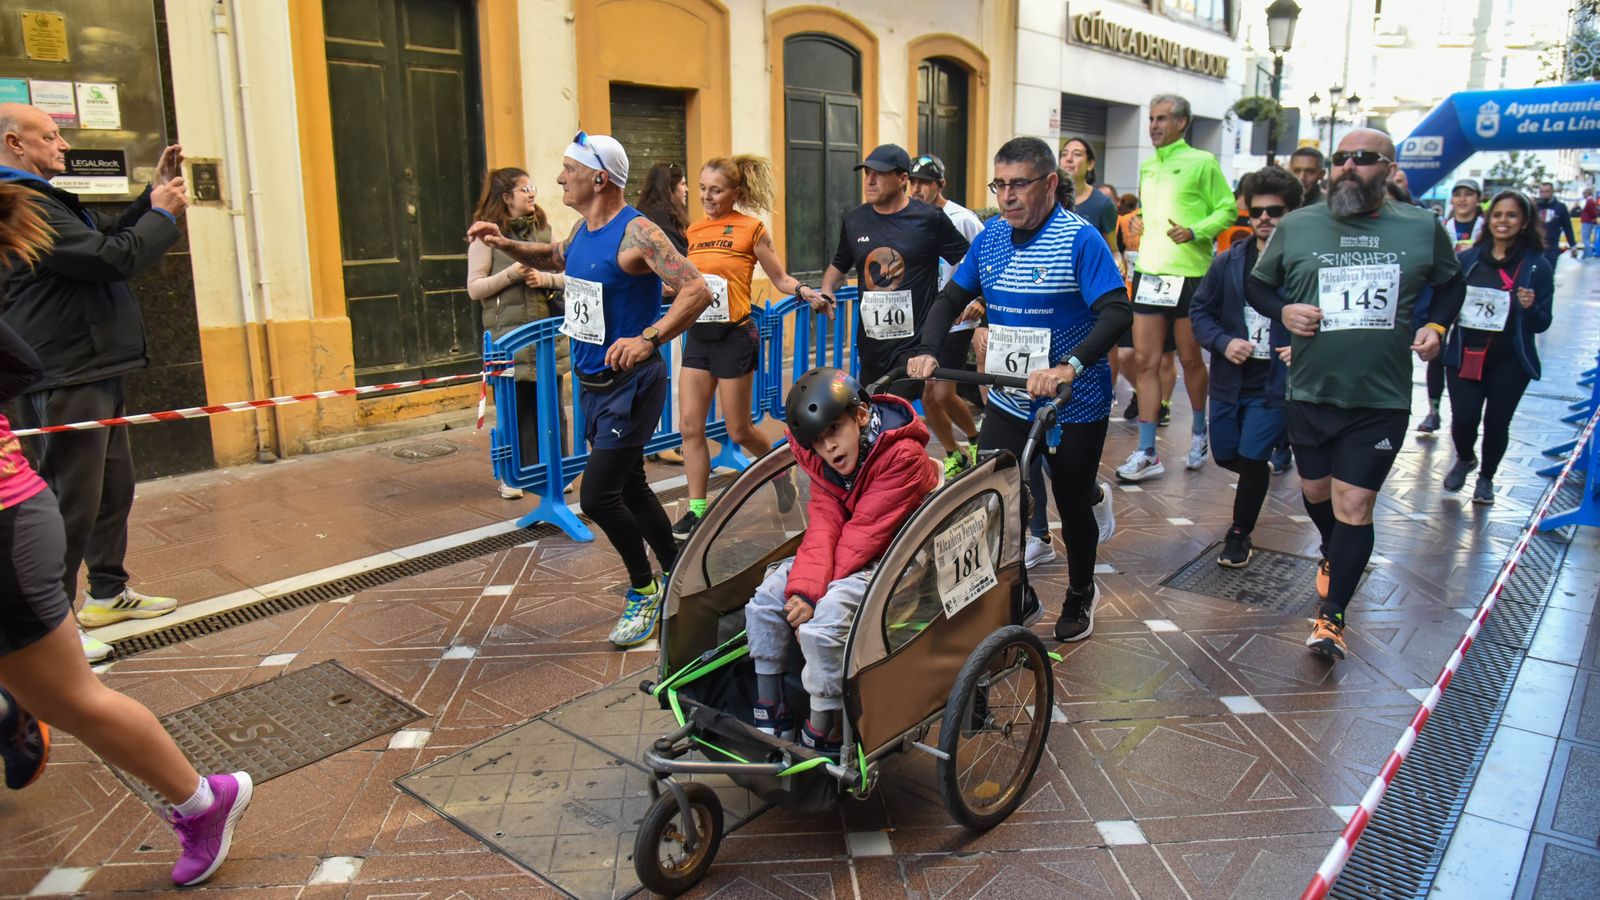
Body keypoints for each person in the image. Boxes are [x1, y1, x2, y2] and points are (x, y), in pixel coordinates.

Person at [0, 187, 251, 886]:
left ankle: (204, 800)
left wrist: (159, 214)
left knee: (72, 698)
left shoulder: (45, 212)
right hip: (30, 486)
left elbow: (112, 256)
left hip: (8, 526)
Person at [467, 132, 712, 648]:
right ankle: (677, 571)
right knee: (629, 487)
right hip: (592, 383)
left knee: (599, 497)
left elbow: (696, 288)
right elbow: (557, 256)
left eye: (567, 169)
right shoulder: (584, 230)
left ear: (599, 177)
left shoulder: (638, 233)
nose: (558, 178)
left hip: (632, 384)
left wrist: (649, 338)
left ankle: (643, 590)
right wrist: (504, 244)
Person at [1245, 128, 1466, 661]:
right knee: (1318, 494)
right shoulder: (1297, 226)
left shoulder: (1421, 228)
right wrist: (1283, 311)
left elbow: (1452, 283)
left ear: (1389, 168)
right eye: (1340, 157)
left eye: (1362, 159)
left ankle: (1331, 618)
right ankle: (1333, 551)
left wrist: (1436, 326)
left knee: (1355, 503)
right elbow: (1258, 285)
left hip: (1380, 398)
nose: (1347, 166)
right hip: (1311, 390)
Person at [908, 136, 1127, 642]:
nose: (1007, 196)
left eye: (1018, 185)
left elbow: (1116, 311)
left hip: (1074, 400)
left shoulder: (1080, 239)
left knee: (1071, 503)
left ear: (1049, 184)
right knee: (991, 497)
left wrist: (1070, 365)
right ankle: (1011, 594)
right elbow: (950, 298)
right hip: (1009, 394)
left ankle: (1080, 592)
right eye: (999, 184)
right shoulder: (989, 238)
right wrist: (928, 350)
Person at [0, 103, 184, 663]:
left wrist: (147, 201)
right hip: (65, 369)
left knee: (111, 489)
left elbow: (102, 239)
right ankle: (55, 623)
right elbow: (107, 259)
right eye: (50, 136)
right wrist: (162, 216)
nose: (62, 146)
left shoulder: (45, 200)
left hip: (94, 364)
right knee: (68, 501)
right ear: (14, 143)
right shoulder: (21, 203)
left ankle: (107, 591)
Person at [744, 367, 940, 752]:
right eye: (818, 441)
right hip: (852, 557)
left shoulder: (902, 456)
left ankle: (827, 723)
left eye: (834, 430)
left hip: (899, 561)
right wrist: (801, 590)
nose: (829, 448)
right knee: (767, 597)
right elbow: (824, 527)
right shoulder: (825, 464)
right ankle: (771, 706)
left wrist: (811, 598)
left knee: (826, 617)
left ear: (861, 417)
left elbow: (863, 534)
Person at [670, 155, 824, 541]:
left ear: (736, 193)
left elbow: (781, 277)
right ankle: (696, 510)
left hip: (735, 336)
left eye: (716, 190)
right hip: (699, 334)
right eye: (702, 188)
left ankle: (779, 469)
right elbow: (688, 285)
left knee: (739, 431)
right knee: (690, 426)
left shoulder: (751, 229)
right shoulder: (694, 230)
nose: (706, 196)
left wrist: (804, 291)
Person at [817, 144, 973, 477]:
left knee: (888, 423)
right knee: (872, 416)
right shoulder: (855, 219)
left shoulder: (929, 219)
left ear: (902, 179)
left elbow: (968, 259)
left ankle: (905, 484)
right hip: (871, 343)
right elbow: (839, 264)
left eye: (879, 174)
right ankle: (910, 475)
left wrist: (964, 299)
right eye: (866, 173)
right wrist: (827, 289)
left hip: (914, 344)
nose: (869, 180)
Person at [1119, 94, 1237, 482]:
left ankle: (1200, 433)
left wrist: (1196, 231)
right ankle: (1148, 451)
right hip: (1151, 275)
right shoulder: (1149, 166)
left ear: (1183, 122)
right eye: (1151, 118)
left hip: (1192, 275)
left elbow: (1228, 208)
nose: (1154, 125)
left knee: (1189, 360)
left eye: (1163, 119)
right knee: (1144, 361)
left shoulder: (1202, 162)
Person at [1190, 166, 1301, 567]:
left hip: (1275, 383)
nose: (1265, 219)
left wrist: (1302, 347)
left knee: (1253, 456)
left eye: (1276, 210)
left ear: (1291, 213)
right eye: (1257, 212)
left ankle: (1239, 533)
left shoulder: (1303, 264)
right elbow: (1200, 311)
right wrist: (1223, 341)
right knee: (1224, 454)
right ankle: (1259, 472)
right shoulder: (1227, 261)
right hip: (1229, 379)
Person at [1441, 190, 1555, 504]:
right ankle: (1465, 458)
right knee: (1464, 419)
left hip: (1509, 360)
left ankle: (1487, 477)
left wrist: (1530, 308)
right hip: (1466, 355)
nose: (1503, 221)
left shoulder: (1537, 267)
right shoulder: (1467, 261)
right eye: (1497, 215)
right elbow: (1445, 302)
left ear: (1524, 223)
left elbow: (1543, 321)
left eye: (1511, 215)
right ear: (1488, 219)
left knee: (1497, 422)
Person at [467, 167, 570, 499]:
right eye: (525, 189)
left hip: (544, 336)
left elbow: (566, 276)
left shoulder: (543, 230)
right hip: (507, 339)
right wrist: (512, 272)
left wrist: (546, 280)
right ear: (506, 197)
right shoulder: (485, 239)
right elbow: (475, 288)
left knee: (551, 406)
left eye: (532, 188)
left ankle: (559, 469)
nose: (532, 194)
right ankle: (514, 476)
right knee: (515, 408)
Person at [1418, 178, 1488, 435]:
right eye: (1457, 194)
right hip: (1446, 297)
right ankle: (1433, 410)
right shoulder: (1442, 226)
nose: (1462, 199)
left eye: (1468, 194)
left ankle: (1466, 414)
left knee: (1463, 356)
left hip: (1477, 302)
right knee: (1436, 354)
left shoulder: (1486, 227)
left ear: (1477, 198)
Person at [1535, 182, 1577, 271]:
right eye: (1541, 192)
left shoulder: (1560, 207)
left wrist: (1573, 245)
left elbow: (1567, 227)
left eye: (1547, 191)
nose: (1544, 194)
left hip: (1552, 247)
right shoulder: (1534, 207)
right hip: (1535, 246)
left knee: (1549, 273)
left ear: (1552, 192)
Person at [1580, 187, 1599, 258]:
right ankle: (1585, 255)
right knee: (1586, 239)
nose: (1583, 196)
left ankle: (1589, 255)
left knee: (1585, 239)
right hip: (1589, 221)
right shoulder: (1590, 201)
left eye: (1584, 194)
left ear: (1587, 193)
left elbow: (1593, 212)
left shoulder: (1590, 201)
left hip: (1587, 222)